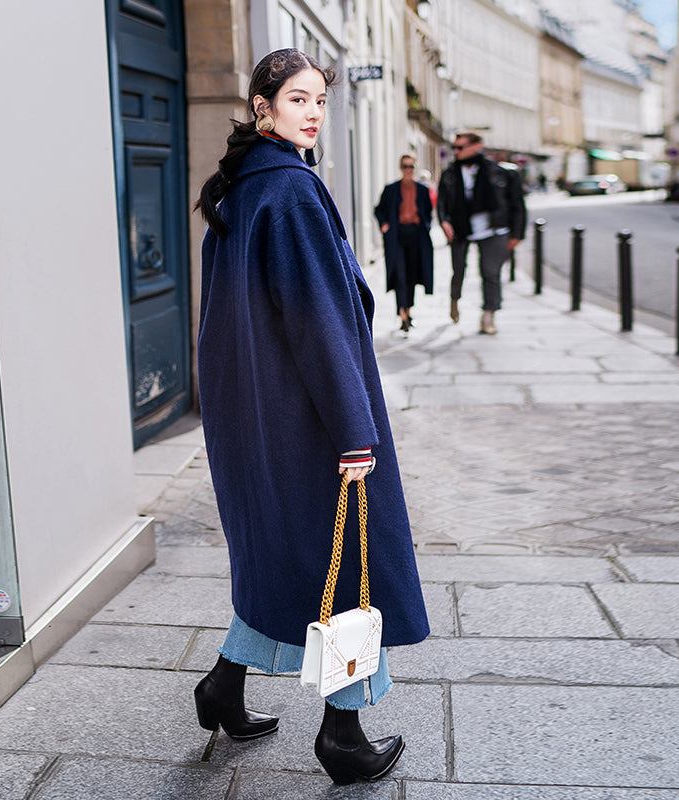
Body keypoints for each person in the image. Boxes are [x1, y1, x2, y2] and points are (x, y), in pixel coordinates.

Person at [193, 48, 429, 785]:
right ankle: (344, 736)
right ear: (262, 105)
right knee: (353, 570)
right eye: (298, 99)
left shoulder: (243, 189)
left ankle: (221, 689)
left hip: (258, 416)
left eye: (320, 100)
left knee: (286, 561)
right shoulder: (290, 191)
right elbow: (319, 320)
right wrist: (354, 431)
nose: (314, 112)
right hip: (308, 418)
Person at [437, 132, 526, 334]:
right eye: (455, 148)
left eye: (460, 147)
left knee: (491, 273)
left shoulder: (500, 173)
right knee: (458, 271)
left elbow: (517, 205)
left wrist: (516, 235)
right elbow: (442, 202)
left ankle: (489, 315)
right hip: (461, 229)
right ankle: (454, 299)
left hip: (493, 229)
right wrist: (444, 222)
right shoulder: (450, 173)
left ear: (477, 146)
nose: (456, 152)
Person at [374, 155, 434, 334]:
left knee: (412, 275)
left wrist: (425, 226)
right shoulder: (391, 189)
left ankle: (408, 310)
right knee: (399, 273)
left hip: (416, 236)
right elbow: (379, 210)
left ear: (414, 168)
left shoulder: (422, 190)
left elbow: (428, 213)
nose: (408, 169)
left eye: (411, 166)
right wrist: (384, 224)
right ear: (400, 167)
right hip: (397, 236)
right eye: (404, 166)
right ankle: (402, 314)